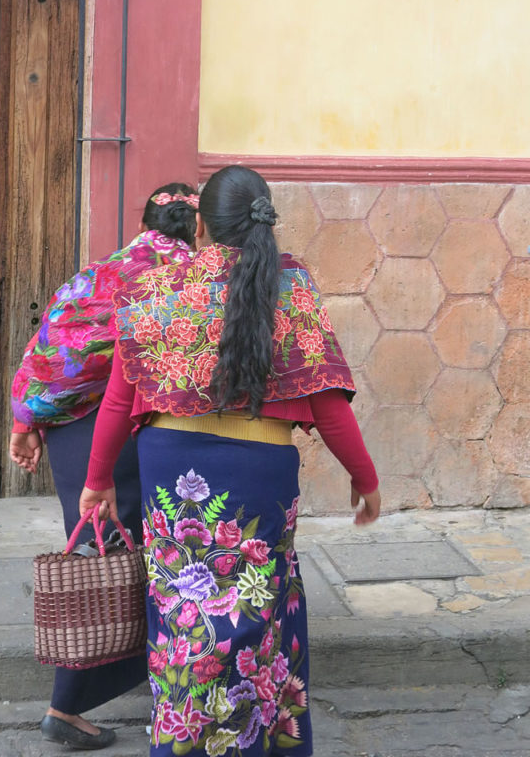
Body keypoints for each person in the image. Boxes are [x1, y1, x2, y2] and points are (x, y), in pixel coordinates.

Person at [79, 166, 380, 756]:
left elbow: (119, 397)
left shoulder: (156, 290)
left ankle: (187, 744)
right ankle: (261, 740)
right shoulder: (289, 286)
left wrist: (96, 482)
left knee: (185, 619)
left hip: (171, 465)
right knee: (260, 610)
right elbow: (326, 401)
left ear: (200, 223)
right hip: (259, 471)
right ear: (264, 217)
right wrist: (364, 479)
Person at [9, 183, 199, 751]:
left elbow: (53, 348)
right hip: (121, 433)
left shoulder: (98, 275)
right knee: (141, 561)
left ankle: (96, 698)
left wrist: (28, 420)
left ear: (144, 223)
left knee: (95, 558)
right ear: (198, 228)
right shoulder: (189, 279)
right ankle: (70, 708)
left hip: (72, 430)